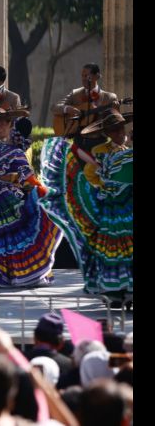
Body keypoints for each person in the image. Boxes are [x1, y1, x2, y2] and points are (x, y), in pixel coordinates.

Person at [40, 109, 133, 308]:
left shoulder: (127, 152)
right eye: (114, 130)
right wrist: (105, 187)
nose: (119, 134)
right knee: (112, 248)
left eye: (121, 129)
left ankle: (127, 288)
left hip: (128, 208)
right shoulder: (101, 152)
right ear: (108, 133)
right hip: (110, 209)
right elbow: (91, 176)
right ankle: (115, 291)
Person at [0, 108, 62, 288]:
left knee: (8, 237)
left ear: (9, 125)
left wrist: (41, 189)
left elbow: (26, 176)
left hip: (6, 197)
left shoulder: (16, 151)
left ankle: (6, 273)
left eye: (3, 124)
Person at [52, 63, 119, 152]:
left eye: (87, 76)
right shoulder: (75, 94)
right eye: (82, 76)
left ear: (97, 76)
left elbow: (116, 124)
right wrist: (67, 109)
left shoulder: (110, 97)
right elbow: (55, 108)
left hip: (100, 143)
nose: (83, 79)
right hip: (78, 143)